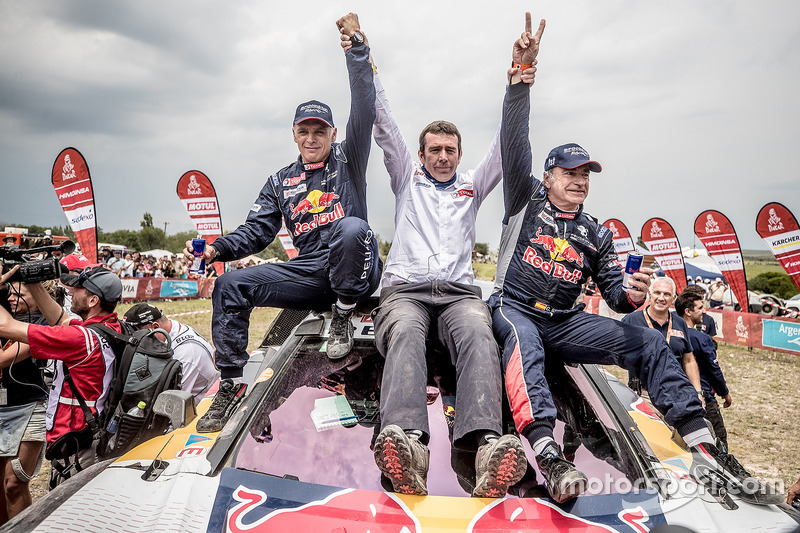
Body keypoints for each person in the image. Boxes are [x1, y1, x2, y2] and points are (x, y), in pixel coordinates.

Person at [487, 65, 780, 504]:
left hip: (566, 322)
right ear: (548, 177)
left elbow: (617, 299)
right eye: (570, 173)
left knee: (646, 341)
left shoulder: (596, 232)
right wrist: (520, 85)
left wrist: (634, 292)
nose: (580, 180)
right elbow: (513, 141)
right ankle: (549, 454)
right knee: (523, 342)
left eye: (586, 174)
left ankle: (704, 446)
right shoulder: (525, 198)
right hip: (515, 307)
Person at [345, 13, 542, 498]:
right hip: (405, 292)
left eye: (450, 149)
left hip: (459, 294)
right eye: (434, 149)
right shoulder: (406, 177)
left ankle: (485, 447)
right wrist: (360, 56)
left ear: (459, 152)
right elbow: (384, 121)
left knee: (479, 331)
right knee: (407, 332)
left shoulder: (473, 185)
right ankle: (408, 444)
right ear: (421, 152)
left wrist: (518, 77)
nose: (443, 157)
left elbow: (508, 143)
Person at [184, 12, 380, 433]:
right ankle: (232, 386)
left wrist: (357, 50)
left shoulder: (350, 157)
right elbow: (257, 232)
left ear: (331, 134)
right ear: (294, 134)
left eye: (320, 131)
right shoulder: (280, 181)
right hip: (310, 272)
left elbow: (365, 104)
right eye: (304, 131)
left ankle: (344, 313)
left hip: (357, 267)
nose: (312, 138)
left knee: (351, 227)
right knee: (230, 285)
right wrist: (217, 248)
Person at [0, 266, 123, 488]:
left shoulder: (78, 339)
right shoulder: (110, 327)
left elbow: (5, 326)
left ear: (93, 300)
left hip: (75, 441)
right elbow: (61, 319)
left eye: (77, 289)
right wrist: (34, 282)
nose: (70, 292)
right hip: (93, 433)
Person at [0, 281, 48, 524]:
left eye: (20, 293)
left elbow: (3, 358)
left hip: (28, 408)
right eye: (9, 291)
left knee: (14, 483)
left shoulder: (41, 323)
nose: (11, 297)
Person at [621, 276, 703, 397]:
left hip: (676, 393)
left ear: (673, 298)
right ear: (649, 294)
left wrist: (698, 392)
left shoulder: (680, 323)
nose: (661, 298)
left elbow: (689, 360)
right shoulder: (631, 321)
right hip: (644, 394)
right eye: (657, 293)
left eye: (667, 294)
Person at [123, 303, 219, 405]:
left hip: (203, 406)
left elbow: (173, 403)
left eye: (139, 335)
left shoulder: (185, 354)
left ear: (155, 327)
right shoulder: (169, 327)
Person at [675, 291, 732, 451]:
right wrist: (725, 393)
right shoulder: (702, 338)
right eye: (700, 308)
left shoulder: (670, 334)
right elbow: (714, 369)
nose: (704, 311)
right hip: (703, 397)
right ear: (688, 311)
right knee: (718, 441)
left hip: (675, 397)